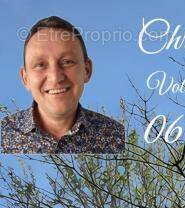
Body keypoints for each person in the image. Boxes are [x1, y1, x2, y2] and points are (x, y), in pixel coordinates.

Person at [2, 16, 124, 154]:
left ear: (87, 70)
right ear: (26, 79)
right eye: (40, 65)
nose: (55, 77)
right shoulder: (3, 135)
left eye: (67, 62)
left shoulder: (117, 137)